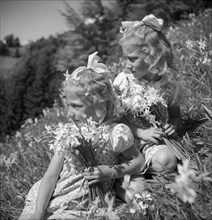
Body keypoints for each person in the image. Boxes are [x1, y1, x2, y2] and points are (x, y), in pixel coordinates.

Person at [19, 52, 145, 220]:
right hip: (54, 197)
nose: (69, 113)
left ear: (99, 106)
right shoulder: (68, 133)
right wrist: (38, 213)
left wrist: (111, 172)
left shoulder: (116, 132)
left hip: (86, 205)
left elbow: (138, 161)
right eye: (68, 105)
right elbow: (50, 176)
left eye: (76, 106)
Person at [113, 14, 188, 175]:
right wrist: (141, 132)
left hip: (157, 142)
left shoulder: (169, 85)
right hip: (130, 141)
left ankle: (141, 170)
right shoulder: (124, 81)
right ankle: (130, 168)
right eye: (126, 58)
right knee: (167, 161)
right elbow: (114, 118)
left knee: (169, 160)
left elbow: (175, 116)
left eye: (132, 59)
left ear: (153, 57)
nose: (126, 65)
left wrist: (172, 126)